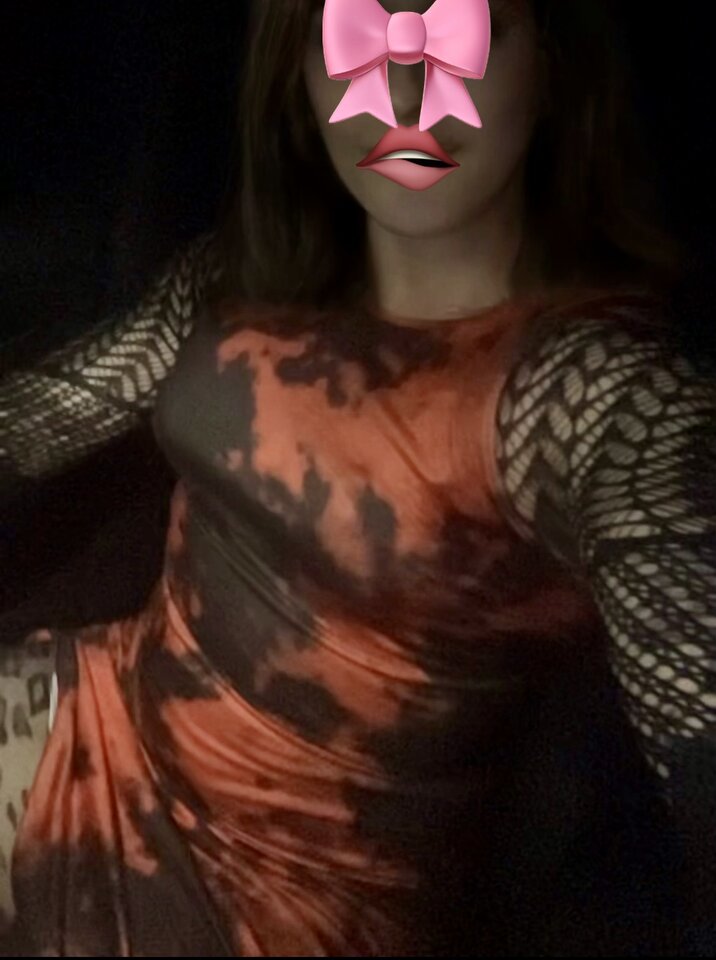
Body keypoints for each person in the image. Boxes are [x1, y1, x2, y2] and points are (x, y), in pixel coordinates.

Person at [1, 0, 715, 954]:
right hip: (96, 707)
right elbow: (38, 418)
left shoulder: (597, 396)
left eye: (465, 27)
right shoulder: (244, 275)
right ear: (298, 72)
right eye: (355, 29)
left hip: (272, 901)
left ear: (555, 63)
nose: (406, 92)